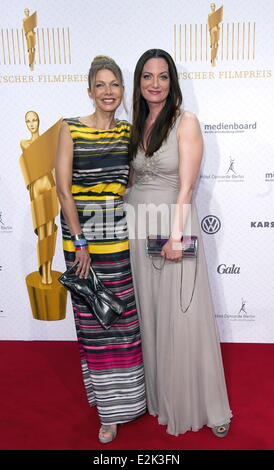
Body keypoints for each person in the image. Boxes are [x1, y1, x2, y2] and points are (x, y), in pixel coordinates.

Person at [127, 48, 232, 437]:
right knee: (153, 316)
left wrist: (175, 236)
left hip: (172, 227)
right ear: (138, 83)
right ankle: (161, 397)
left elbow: (186, 186)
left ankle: (206, 405)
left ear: (172, 82)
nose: (155, 84)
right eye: (147, 77)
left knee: (184, 316)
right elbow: (134, 182)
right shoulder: (136, 125)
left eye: (163, 76)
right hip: (138, 228)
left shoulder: (185, 122)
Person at [55, 56, 146, 443]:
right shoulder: (70, 128)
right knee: (95, 322)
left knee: (122, 319)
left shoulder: (128, 131)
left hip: (119, 238)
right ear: (90, 90)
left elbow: (139, 177)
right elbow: (62, 188)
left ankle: (134, 401)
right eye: (101, 85)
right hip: (83, 241)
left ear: (123, 91)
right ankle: (108, 414)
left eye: (115, 85)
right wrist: (80, 242)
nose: (108, 92)